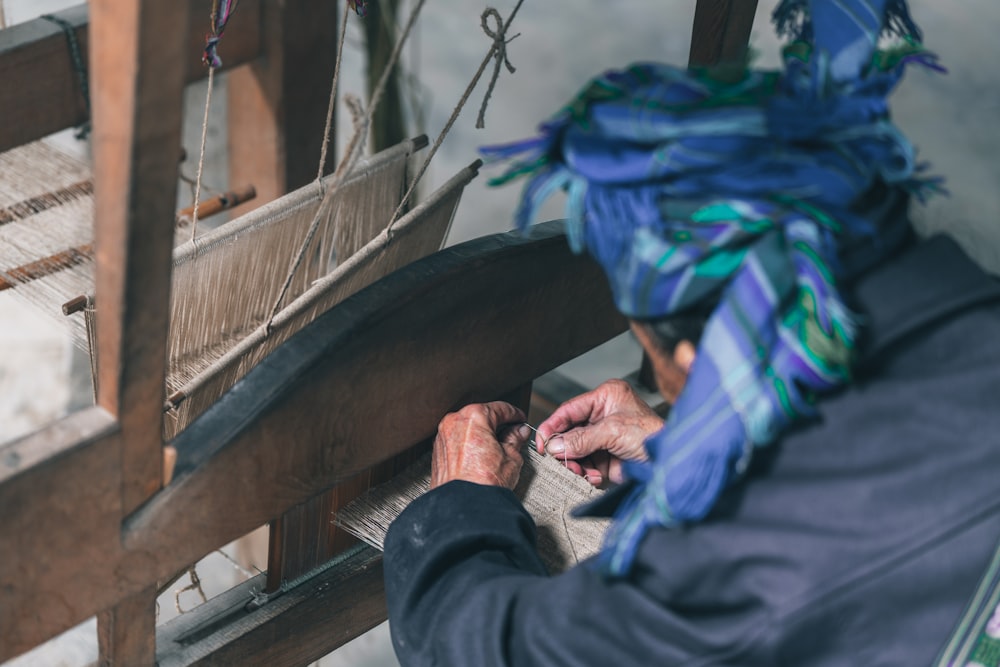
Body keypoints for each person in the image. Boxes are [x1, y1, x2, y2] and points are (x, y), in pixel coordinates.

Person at [382, 1, 1000, 664]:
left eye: (655, 355)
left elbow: (490, 650)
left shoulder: (730, 578)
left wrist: (458, 507)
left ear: (699, 355)